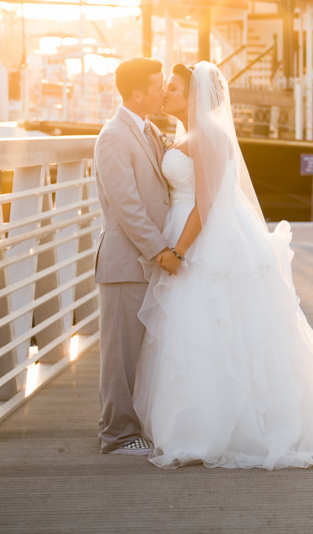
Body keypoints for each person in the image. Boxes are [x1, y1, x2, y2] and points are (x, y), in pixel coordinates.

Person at [133, 63, 313, 469]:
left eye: (172, 88)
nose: (165, 93)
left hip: (200, 240)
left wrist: (179, 251)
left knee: (216, 328)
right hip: (187, 232)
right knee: (197, 331)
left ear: (194, 96)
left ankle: (224, 428)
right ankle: (199, 421)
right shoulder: (187, 135)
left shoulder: (208, 137)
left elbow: (205, 202)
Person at [93, 57, 180, 456]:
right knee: (120, 355)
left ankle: (136, 425)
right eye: (158, 84)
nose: (164, 90)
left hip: (146, 260)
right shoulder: (113, 135)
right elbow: (125, 204)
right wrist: (160, 250)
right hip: (127, 260)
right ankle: (117, 434)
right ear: (136, 93)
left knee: (140, 351)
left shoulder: (148, 129)